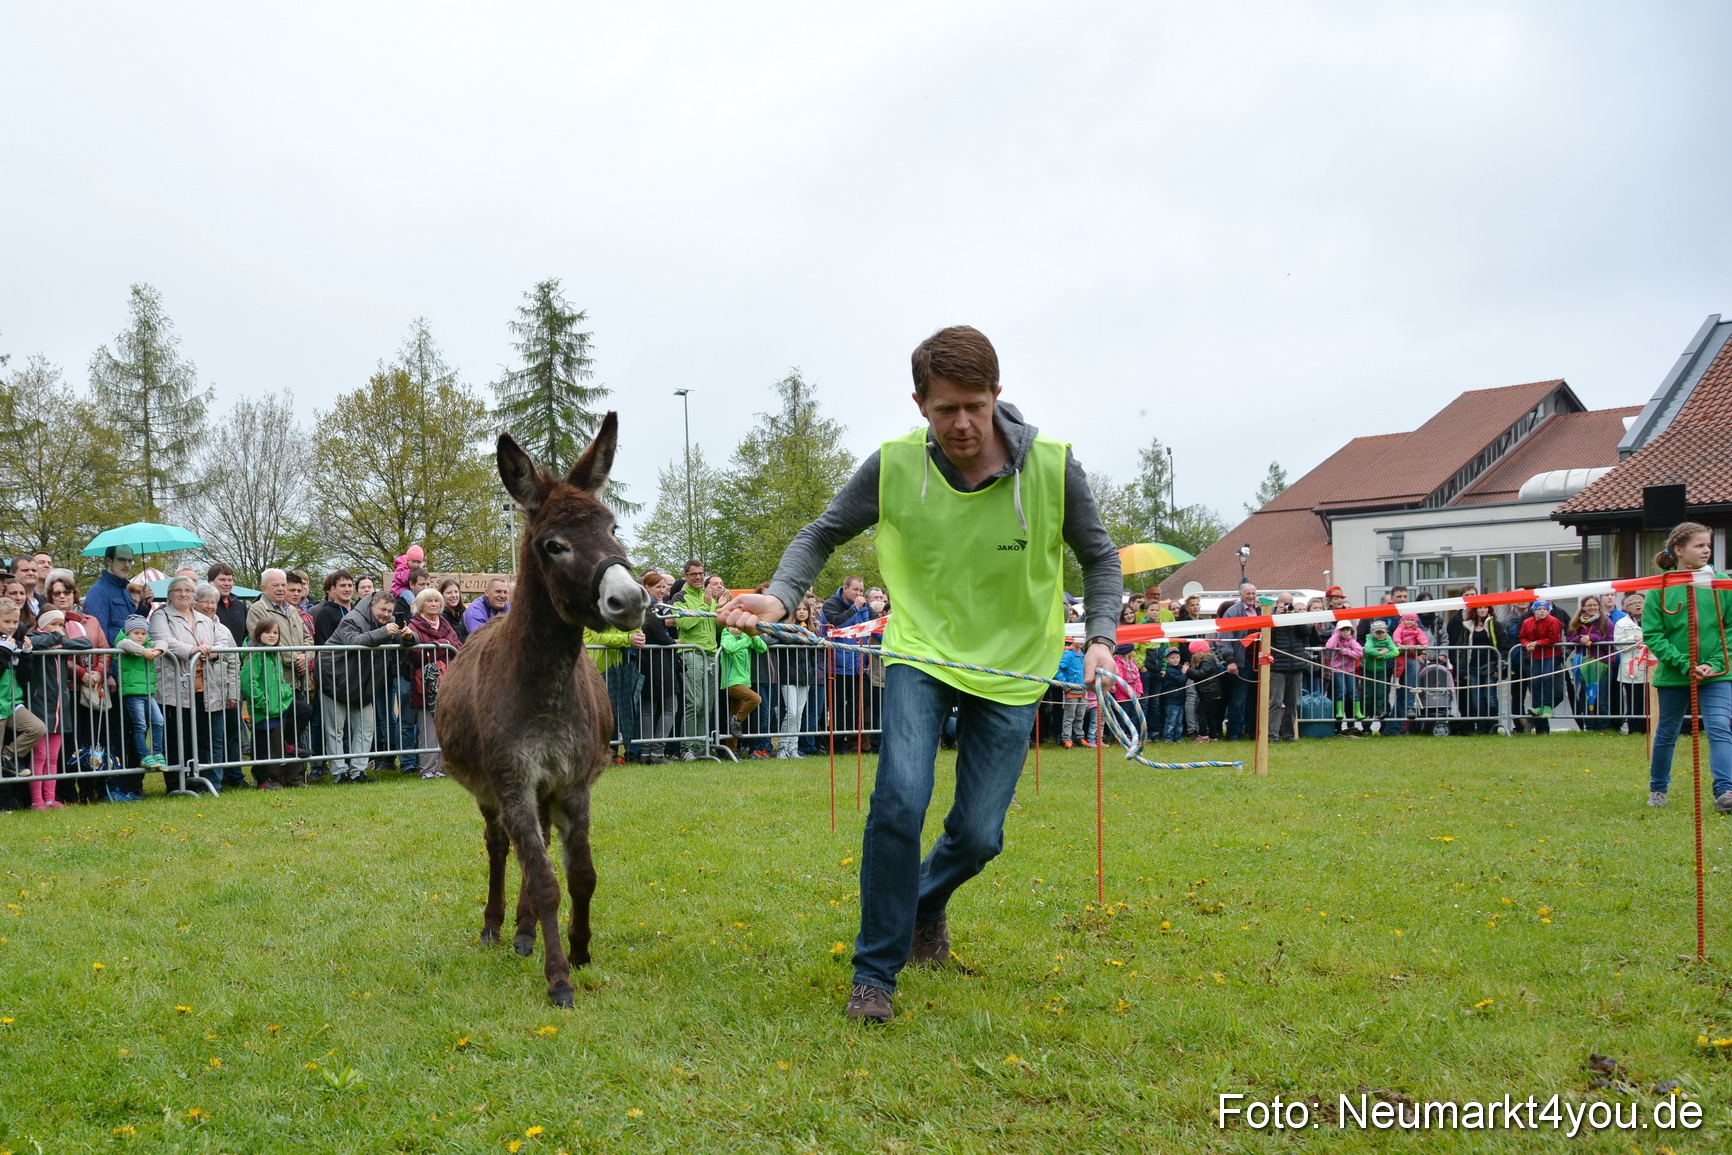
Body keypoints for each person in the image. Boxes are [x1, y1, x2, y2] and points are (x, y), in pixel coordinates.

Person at [715, 325, 1120, 1023]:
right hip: (920, 654)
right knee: (899, 798)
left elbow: (1101, 558)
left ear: (997, 394)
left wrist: (1104, 639)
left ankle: (926, 901)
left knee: (980, 835)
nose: (961, 423)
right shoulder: (895, 465)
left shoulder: (1054, 469)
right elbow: (822, 531)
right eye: (943, 409)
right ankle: (876, 973)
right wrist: (780, 596)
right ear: (919, 404)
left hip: (1013, 666)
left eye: (974, 405)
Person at [1643, 523, 1731, 808]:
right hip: (1675, 674)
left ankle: (1725, 792)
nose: (1706, 550)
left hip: (1717, 673)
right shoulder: (1660, 588)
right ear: (1679, 550)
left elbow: (1729, 628)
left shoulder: (1721, 584)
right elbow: (1654, 634)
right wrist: (1686, 664)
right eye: (1699, 545)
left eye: (1708, 545)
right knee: (1667, 731)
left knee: (1719, 726)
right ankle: (1658, 789)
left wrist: (1713, 662)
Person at [319, 590, 407, 783]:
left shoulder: (389, 623)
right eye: (382, 609)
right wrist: (383, 632)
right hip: (336, 679)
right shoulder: (352, 620)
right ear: (371, 606)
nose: (385, 614)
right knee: (336, 730)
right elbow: (353, 642)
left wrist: (408, 636)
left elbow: (407, 643)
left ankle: (358, 771)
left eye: (389, 610)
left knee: (366, 728)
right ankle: (339, 773)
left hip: (363, 684)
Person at [46, 573, 115, 803]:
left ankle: (89, 790)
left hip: (93, 689)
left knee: (91, 741)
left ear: (74, 593)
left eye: (66, 592)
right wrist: (81, 674)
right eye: (57, 593)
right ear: (51, 597)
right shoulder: (52, 623)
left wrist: (98, 672)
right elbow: (57, 655)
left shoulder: (90, 620)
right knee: (68, 743)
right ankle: (67, 792)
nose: (63, 596)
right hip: (66, 690)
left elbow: (104, 649)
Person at [149, 576, 223, 792]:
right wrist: (193, 650)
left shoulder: (205, 619)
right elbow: (162, 640)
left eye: (188, 590)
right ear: (170, 594)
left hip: (203, 688)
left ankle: (198, 780)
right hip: (174, 688)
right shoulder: (161, 616)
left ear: (193, 595)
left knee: (201, 737)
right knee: (175, 738)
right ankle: (176, 784)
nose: (183, 594)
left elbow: (222, 641)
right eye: (178, 590)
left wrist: (211, 651)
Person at [23, 608, 91, 808]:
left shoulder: (59, 641)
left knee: (53, 757)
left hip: (60, 707)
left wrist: (61, 642)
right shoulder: (34, 637)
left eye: (61, 625)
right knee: (40, 756)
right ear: (41, 625)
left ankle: (50, 798)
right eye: (53, 624)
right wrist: (54, 638)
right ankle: (37, 800)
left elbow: (86, 643)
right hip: (40, 704)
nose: (59, 629)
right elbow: (31, 642)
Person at [403, 586, 461, 779]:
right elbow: (416, 653)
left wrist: (438, 646)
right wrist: (443, 646)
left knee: (445, 727)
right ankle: (428, 769)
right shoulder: (413, 626)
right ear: (421, 605)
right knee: (427, 728)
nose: (434, 604)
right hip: (426, 684)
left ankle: (444, 768)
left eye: (437, 601)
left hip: (448, 682)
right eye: (429, 601)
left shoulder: (445, 623)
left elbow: (457, 646)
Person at [241, 619, 302, 789]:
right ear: (259, 634)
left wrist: (286, 695)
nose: (272, 636)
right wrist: (262, 702)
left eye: (275, 633)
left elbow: (280, 680)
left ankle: (288, 745)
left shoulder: (274, 653)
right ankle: (263, 780)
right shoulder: (255, 654)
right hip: (264, 708)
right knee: (264, 745)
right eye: (268, 632)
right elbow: (248, 681)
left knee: (303, 710)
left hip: (277, 706)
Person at [193, 583, 242, 788]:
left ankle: (217, 780)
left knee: (219, 738)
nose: (210, 606)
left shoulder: (223, 630)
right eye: (205, 602)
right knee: (200, 738)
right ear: (195, 603)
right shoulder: (191, 628)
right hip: (196, 690)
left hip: (221, 691)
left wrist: (233, 694)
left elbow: (233, 662)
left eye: (213, 602)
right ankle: (197, 778)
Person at [672, 564, 719, 760]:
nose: (699, 577)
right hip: (692, 653)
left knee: (707, 705)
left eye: (701, 573)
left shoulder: (708, 597)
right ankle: (687, 748)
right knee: (694, 702)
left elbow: (716, 625)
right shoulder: (680, 598)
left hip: (711, 654)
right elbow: (684, 623)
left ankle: (701, 748)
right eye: (694, 574)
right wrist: (705, 605)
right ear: (686, 576)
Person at [115, 615, 167, 784]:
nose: (140, 637)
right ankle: (144, 756)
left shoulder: (147, 644)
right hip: (132, 693)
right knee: (140, 725)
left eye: (143, 633)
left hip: (148, 693)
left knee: (158, 720)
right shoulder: (123, 643)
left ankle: (157, 753)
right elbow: (125, 644)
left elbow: (162, 643)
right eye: (136, 633)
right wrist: (143, 651)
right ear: (128, 632)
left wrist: (157, 650)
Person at [0, 599, 47, 783]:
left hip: (12, 703)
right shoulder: (6, 646)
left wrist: (26, 656)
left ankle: (8, 756)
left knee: (37, 728)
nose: (12, 626)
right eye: (7, 622)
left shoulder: (15, 642)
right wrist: (4, 651)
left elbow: (24, 678)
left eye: (15, 622)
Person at [636, 571, 680, 764]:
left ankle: (648, 752)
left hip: (648, 662)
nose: (662, 591)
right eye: (658, 587)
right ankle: (656, 752)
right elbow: (660, 637)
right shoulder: (650, 608)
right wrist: (673, 641)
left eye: (664, 587)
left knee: (649, 709)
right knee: (670, 707)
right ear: (647, 588)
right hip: (658, 663)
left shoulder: (646, 606)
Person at [1215, 583, 1263, 741]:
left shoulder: (1261, 611)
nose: (1251, 597)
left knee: (1257, 699)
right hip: (1241, 662)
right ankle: (1233, 733)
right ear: (1241, 595)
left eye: (1253, 594)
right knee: (1238, 700)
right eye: (1248, 593)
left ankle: (1254, 731)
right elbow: (1224, 638)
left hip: (1259, 661)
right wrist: (1230, 660)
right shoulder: (1232, 612)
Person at [774, 599, 820, 758]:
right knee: (791, 712)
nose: (801, 612)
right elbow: (782, 638)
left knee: (799, 713)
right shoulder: (787, 627)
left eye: (804, 609)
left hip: (806, 676)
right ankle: (782, 747)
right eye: (798, 609)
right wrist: (797, 637)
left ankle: (793, 748)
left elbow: (815, 646)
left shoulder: (812, 630)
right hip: (789, 676)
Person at [1446, 604, 1501, 734]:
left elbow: (1503, 645)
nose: (1483, 610)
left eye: (1485, 607)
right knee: (1477, 698)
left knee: (1490, 697)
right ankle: (1481, 728)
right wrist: (1462, 670)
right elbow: (1461, 650)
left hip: (1490, 666)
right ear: (1475, 610)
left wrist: (1500, 667)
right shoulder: (1467, 626)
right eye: (1480, 607)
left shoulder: (1495, 624)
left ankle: (1493, 727)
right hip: (1472, 667)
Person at [1566, 598, 1615, 731]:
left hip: (1602, 663)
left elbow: (1610, 640)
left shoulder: (1606, 622)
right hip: (1582, 663)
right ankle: (1590, 726)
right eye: (1589, 605)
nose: (1592, 607)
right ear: (1583, 607)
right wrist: (1580, 639)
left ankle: (1602, 727)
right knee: (1585, 696)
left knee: (1602, 697)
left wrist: (1592, 638)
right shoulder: (1576, 623)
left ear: (1598, 607)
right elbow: (1569, 639)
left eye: (1595, 605)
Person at [718, 624, 767, 753]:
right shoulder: (726, 635)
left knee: (735, 712)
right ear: (727, 627)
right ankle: (736, 721)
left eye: (739, 627)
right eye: (733, 627)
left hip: (744, 682)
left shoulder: (745, 636)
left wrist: (753, 637)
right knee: (755, 699)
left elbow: (762, 648)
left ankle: (732, 750)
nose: (736, 629)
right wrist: (748, 640)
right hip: (732, 683)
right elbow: (729, 648)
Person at [1266, 595, 1309, 742]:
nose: (1288, 606)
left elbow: (1307, 633)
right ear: (1278, 603)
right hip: (1277, 666)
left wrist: (1296, 618)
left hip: (1295, 665)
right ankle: (1272, 735)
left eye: (1291, 603)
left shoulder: (1296, 617)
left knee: (1292, 703)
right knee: (1276, 703)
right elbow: (1268, 636)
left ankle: (1289, 735)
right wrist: (1277, 616)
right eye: (1285, 603)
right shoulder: (1271, 617)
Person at [1518, 601, 1564, 733]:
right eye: (1539, 609)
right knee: (1535, 681)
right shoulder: (1527, 622)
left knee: (1547, 678)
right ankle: (1537, 706)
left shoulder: (1553, 621)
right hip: (1535, 656)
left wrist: (1537, 643)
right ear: (1534, 610)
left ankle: (1547, 706)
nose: (1542, 611)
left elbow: (1554, 638)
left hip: (1550, 655)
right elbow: (1522, 637)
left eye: (1545, 609)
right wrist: (1527, 644)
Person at [83, 546, 139, 647]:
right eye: (122, 560)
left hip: (128, 657)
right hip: (115, 658)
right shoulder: (97, 591)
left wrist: (144, 604)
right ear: (108, 561)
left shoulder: (124, 590)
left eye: (130, 561)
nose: (127, 565)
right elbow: (99, 636)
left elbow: (134, 625)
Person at [1614, 592, 1651, 734]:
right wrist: (1633, 639)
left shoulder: (1652, 620)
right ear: (1627, 608)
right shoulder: (1621, 623)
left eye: (1640, 602)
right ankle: (1635, 729)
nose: (1637, 605)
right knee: (1634, 700)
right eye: (1633, 603)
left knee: (1650, 700)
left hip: (1650, 665)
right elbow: (1617, 644)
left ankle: (1650, 728)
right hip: (1631, 667)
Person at [1391, 613, 1431, 733]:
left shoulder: (1417, 630)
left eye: (1412, 620)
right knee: (1403, 690)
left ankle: (1393, 729)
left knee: (1404, 694)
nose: (1409, 622)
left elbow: (1423, 638)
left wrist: (1423, 646)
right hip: (1401, 655)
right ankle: (1408, 707)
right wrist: (1399, 645)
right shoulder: (1400, 629)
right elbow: (1396, 636)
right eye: (1407, 620)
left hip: (1413, 655)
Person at [1323, 621, 1364, 734]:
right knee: (1341, 690)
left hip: (1350, 670)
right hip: (1337, 669)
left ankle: (1357, 711)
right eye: (1342, 630)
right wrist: (1336, 634)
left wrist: (1346, 652)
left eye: (1347, 630)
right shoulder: (1335, 640)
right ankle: (1339, 711)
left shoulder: (1352, 641)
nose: (1345, 632)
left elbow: (1360, 652)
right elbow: (1329, 646)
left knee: (1353, 691)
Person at [1188, 640, 1226, 740]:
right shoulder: (1209, 660)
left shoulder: (1207, 660)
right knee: (1210, 714)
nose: (1193, 655)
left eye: (1194, 653)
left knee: (1201, 712)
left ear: (1200, 652)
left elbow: (1201, 674)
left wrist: (1188, 670)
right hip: (1210, 691)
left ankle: (1203, 734)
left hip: (1209, 692)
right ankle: (1213, 736)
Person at [206, 563, 251, 644]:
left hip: (239, 655)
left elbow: (247, 635)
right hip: (215, 654)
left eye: (230, 580)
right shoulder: (206, 607)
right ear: (211, 582)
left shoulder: (240, 607)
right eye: (222, 580)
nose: (227, 583)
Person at [312, 570, 357, 645]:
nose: (347, 589)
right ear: (334, 589)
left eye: (350, 585)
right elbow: (323, 644)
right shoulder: (325, 614)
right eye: (342, 585)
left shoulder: (358, 612)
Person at [1154, 647, 1188, 742]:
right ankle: (1168, 737)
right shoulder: (1169, 670)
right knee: (1171, 720)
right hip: (1171, 699)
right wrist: (1185, 673)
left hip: (1180, 698)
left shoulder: (1180, 668)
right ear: (1167, 660)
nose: (1176, 659)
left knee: (1179, 721)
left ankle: (1178, 737)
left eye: (1177, 657)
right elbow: (1180, 680)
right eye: (1173, 658)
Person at [438, 578, 470, 642]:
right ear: (441, 595)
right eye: (449, 593)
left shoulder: (464, 614)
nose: (454, 595)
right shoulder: (440, 617)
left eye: (456, 592)